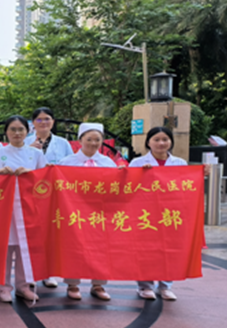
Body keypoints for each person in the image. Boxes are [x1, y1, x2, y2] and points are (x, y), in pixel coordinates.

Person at [0, 115, 47, 303]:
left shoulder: (36, 154)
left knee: (24, 248)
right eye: (12, 129)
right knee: (5, 248)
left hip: (28, 207)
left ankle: (23, 286)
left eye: (21, 129)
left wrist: (30, 173)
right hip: (4, 208)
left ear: (27, 132)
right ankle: (3, 287)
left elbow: (45, 179)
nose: (17, 133)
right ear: (6, 132)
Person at [58, 122, 118, 301]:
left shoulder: (108, 163)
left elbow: (116, 187)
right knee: (74, 247)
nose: (93, 143)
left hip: (100, 213)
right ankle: (73, 284)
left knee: (101, 248)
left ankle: (98, 284)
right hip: (74, 211)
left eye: (97, 140)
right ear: (80, 140)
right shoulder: (67, 162)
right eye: (89, 139)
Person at [128, 126, 187, 301]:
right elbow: (127, 186)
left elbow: (187, 186)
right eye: (156, 139)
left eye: (165, 139)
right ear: (148, 142)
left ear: (171, 142)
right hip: (145, 214)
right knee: (145, 250)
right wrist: (140, 174)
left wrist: (203, 174)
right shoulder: (137, 163)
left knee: (169, 250)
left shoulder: (180, 163)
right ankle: (145, 286)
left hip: (170, 214)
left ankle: (165, 286)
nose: (161, 143)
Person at [25, 107, 74, 289]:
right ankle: (31, 273)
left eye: (47, 119)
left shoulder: (63, 143)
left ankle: (49, 273)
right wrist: (29, 151)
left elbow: (71, 166)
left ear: (53, 122)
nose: (43, 122)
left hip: (54, 194)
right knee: (32, 233)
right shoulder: (25, 142)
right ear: (33, 123)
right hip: (31, 193)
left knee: (51, 233)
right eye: (39, 119)